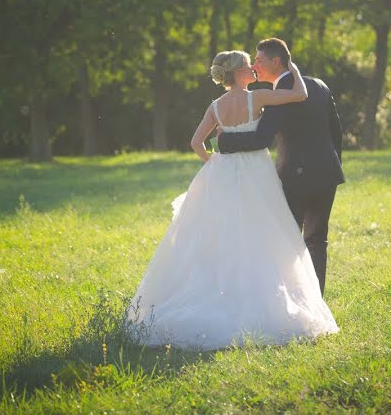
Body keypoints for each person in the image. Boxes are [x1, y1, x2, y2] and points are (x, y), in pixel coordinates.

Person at [126, 50, 338, 350]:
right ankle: (261, 294)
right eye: (248, 64)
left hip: (223, 173)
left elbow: (196, 141)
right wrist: (292, 65)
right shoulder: (259, 98)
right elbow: (299, 93)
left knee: (222, 233)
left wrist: (210, 162)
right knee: (264, 233)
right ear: (238, 72)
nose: (254, 66)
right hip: (256, 173)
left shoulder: (215, 106)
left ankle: (220, 290)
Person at [217, 38, 344, 296]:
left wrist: (223, 139)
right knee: (317, 240)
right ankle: (315, 299)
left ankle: (291, 301)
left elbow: (261, 138)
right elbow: (337, 132)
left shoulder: (281, 93)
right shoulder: (319, 85)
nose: (254, 65)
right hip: (327, 174)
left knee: (287, 241)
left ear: (276, 61)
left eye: (260, 60)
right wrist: (332, 165)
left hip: (296, 178)